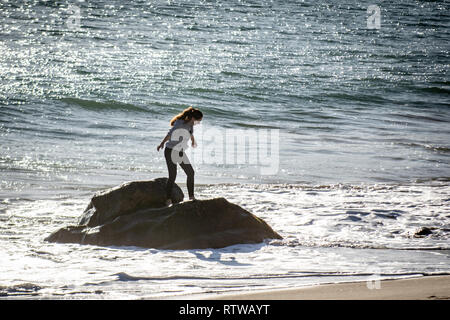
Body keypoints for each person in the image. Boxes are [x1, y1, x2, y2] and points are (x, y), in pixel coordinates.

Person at [157, 106, 203, 206]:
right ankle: (168, 199)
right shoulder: (179, 123)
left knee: (190, 172)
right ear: (192, 118)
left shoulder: (191, 125)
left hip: (180, 151)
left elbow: (190, 132)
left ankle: (191, 197)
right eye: (198, 121)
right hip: (170, 151)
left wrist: (193, 140)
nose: (199, 123)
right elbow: (170, 134)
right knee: (173, 175)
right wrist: (161, 143)